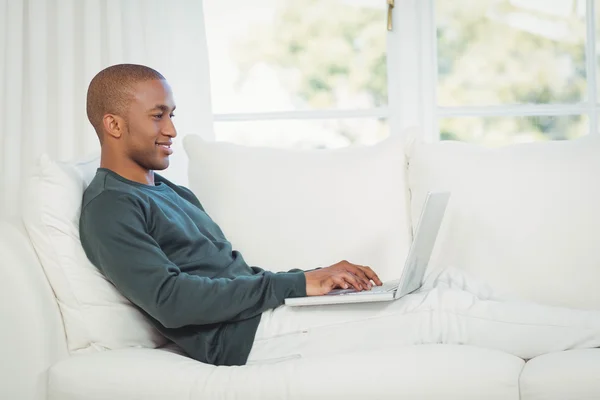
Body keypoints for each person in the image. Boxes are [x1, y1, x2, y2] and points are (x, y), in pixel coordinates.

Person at [80, 64, 600, 367]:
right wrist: (297, 284)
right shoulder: (110, 208)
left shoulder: (167, 190)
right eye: (158, 115)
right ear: (114, 124)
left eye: (172, 113)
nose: (171, 129)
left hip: (263, 317)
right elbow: (173, 302)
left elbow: (228, 277)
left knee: (443, 284)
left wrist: (314, 282)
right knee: (441, 315)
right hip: (240, 340)